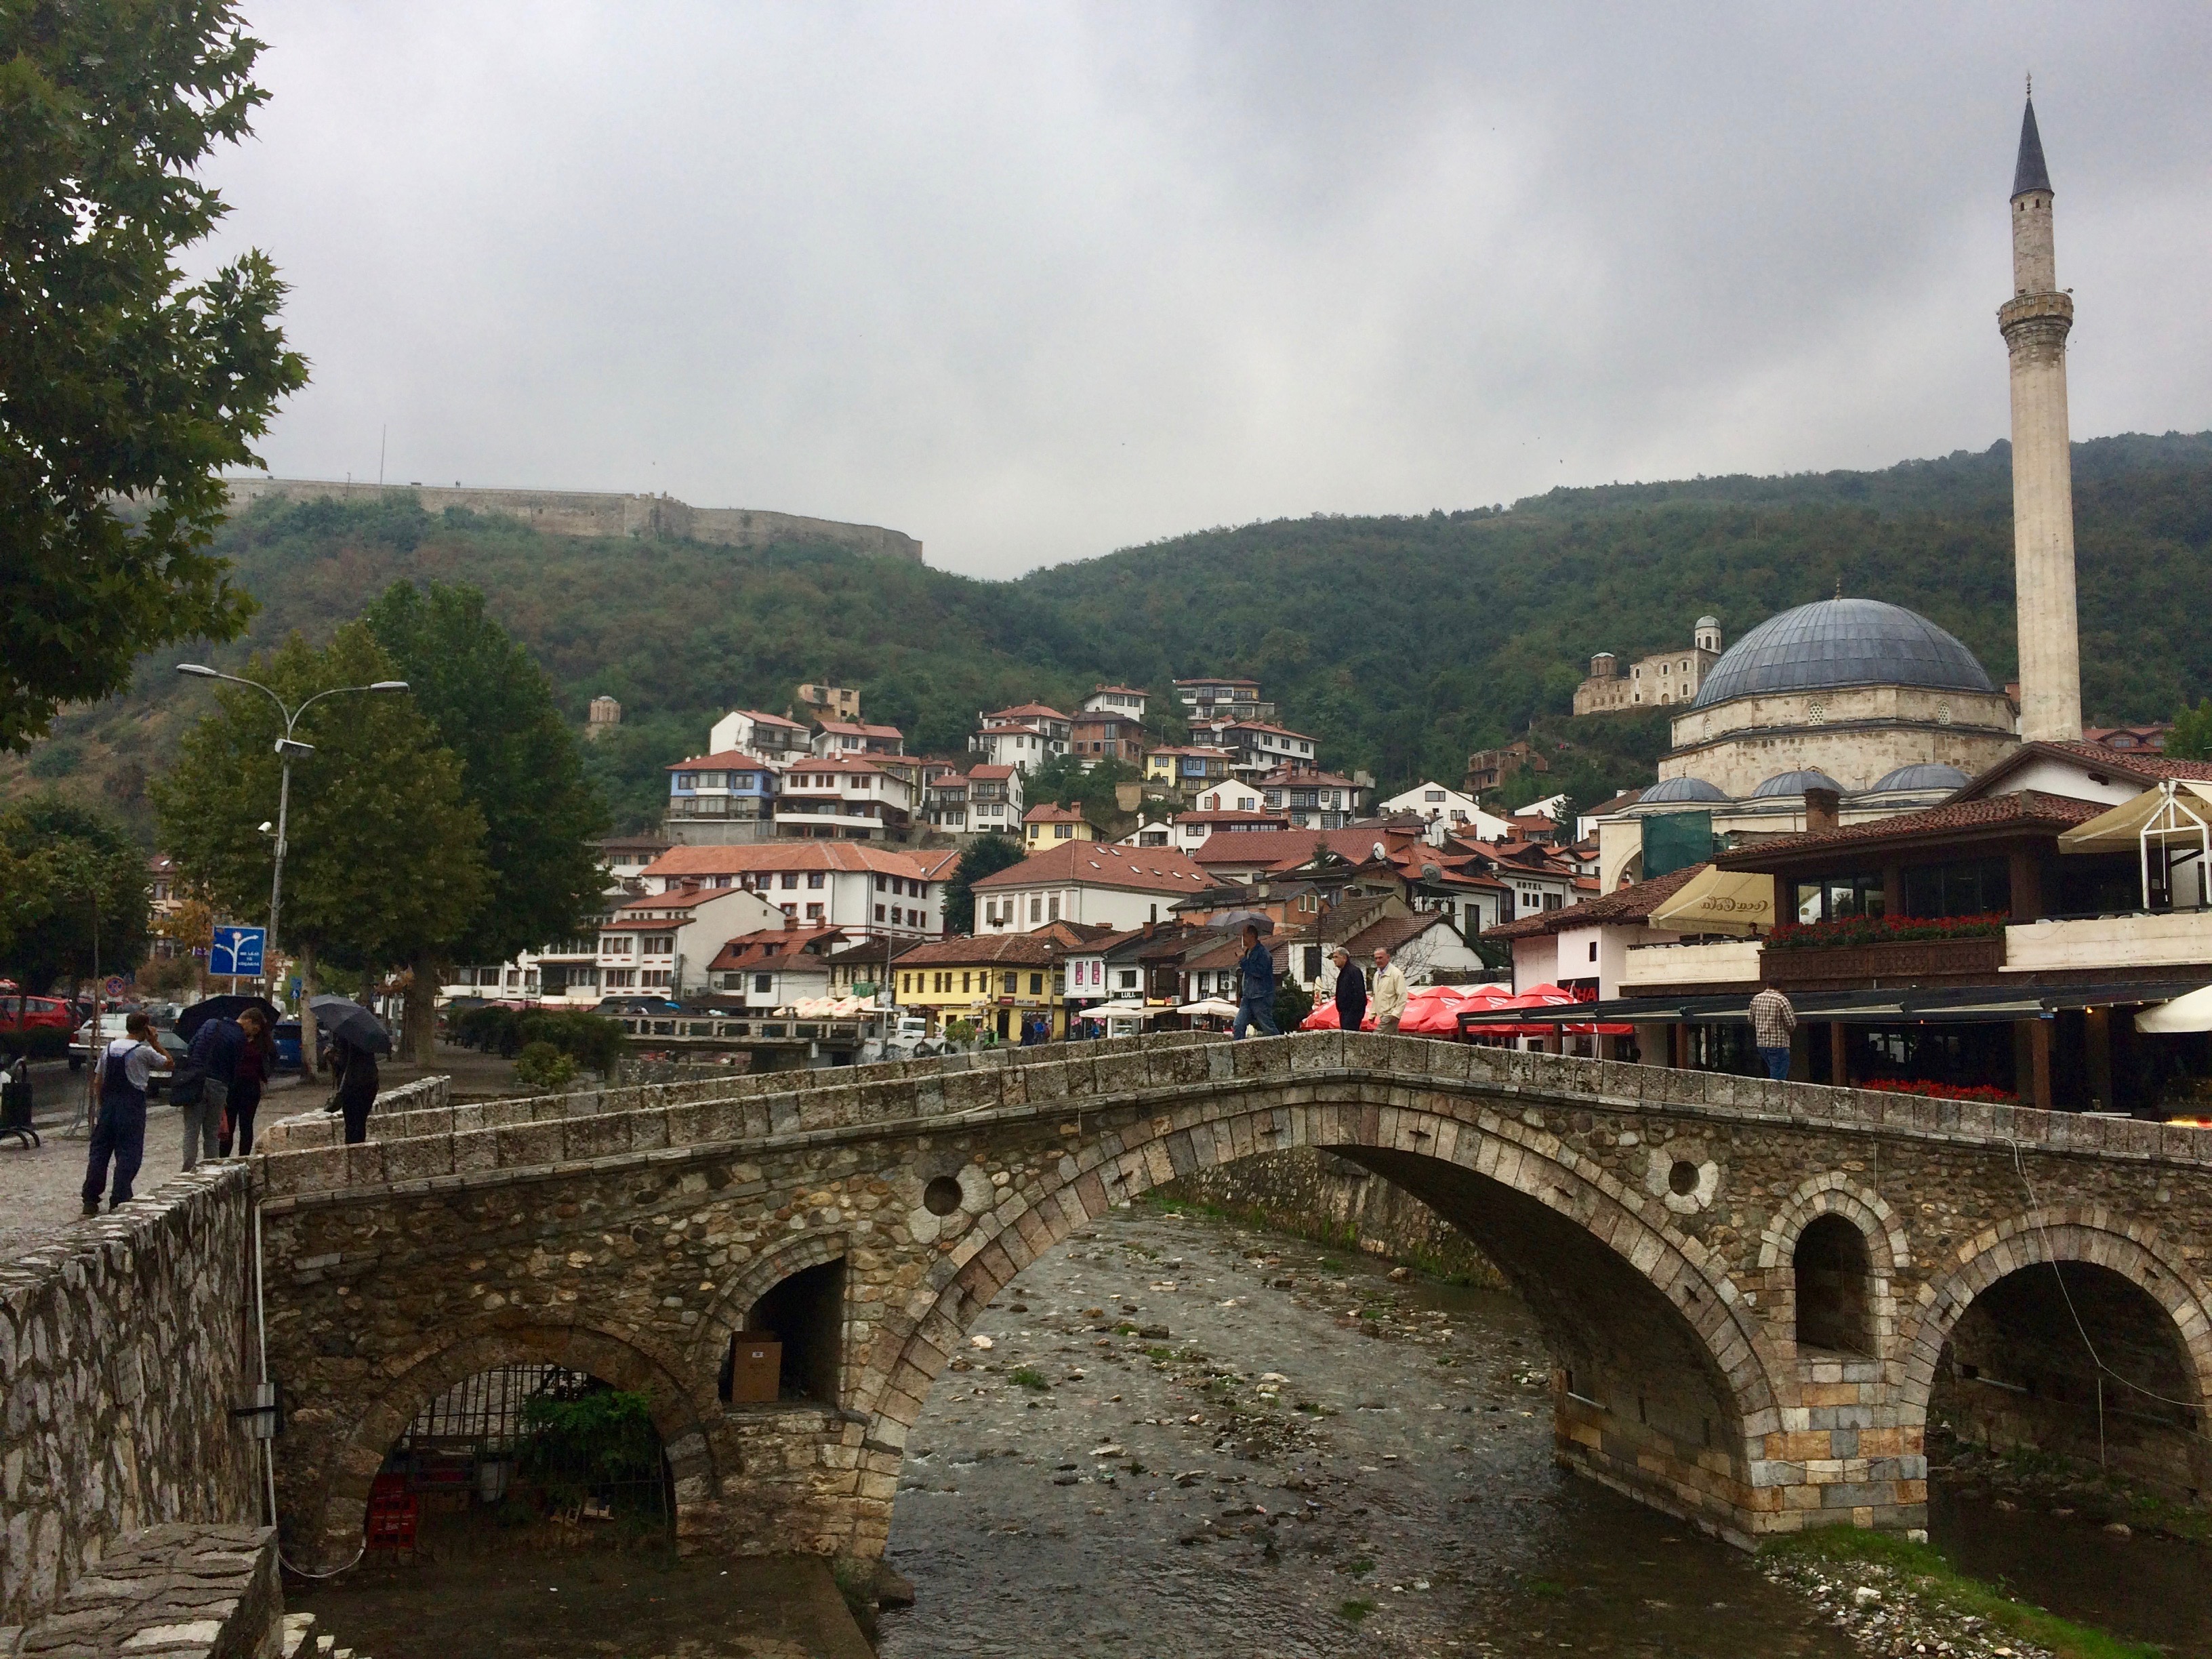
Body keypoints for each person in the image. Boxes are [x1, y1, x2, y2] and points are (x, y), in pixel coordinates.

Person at [81, 1012, 171, 1213]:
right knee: (129, 1154)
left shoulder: (109, 1048)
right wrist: (155, 1042)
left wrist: (102, 1104)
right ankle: (120, 1197)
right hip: (131, 1107)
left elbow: (98, 1081)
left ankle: (90, 1199)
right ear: (145, 1028)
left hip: (108, 1107)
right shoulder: (143, 1052)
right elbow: (169, 1063)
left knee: (99, 1153)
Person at [178, 1008, 249, 1170]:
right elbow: (235, 1066)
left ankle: (188, 1168)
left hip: (196, 1082)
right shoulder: (240, 1037)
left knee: (191, 1129)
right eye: (255, 1028)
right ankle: (210, 1168)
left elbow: (191, 1047)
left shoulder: (210, 1023)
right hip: (219, 1084)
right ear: (249, 1021)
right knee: (212, 1131)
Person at [220, 1012, 274, 1158]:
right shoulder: (235, 1038)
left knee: (246, 1125)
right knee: (228, 1125)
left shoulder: (261, 1043)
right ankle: (224, 1157)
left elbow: (271, 1060)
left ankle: (243, 1157)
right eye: (254, 1028)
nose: (255, 1031)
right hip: (232, 1085)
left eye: (258, 1030)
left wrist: (264, 1075)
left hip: (251, 1087)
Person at [326, 1032, 380, 1145]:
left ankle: (352, 1150)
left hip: (351, 1084)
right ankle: (360, 1147)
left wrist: (329, 1055)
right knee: (361, 1121)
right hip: (370, 1083)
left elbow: (343, 1063)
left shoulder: (345, 1036)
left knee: (351, 1123)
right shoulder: (369, 1036)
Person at [1232, 924, 1278, 1040]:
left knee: (1267, 1026)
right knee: (1238, 1025)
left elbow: (1258, 972)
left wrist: (1243, 960)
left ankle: (1279, 1048)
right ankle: (1238, 1051)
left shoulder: (1263, 954)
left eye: (1245, 936)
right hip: (1248, 996)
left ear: (1252, 936)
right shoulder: (1248, 952)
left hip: (1261, 996)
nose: (1243, 939)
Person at [1750, 985, 1797, 1080]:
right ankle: (1776, 1094)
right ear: (1781, 987)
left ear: (1767, 985)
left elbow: (1751, 1020)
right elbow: (1791, 1023)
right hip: (1778, 1043)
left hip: (1762, 1043)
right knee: (1778, 1075)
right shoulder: (1781, 1000)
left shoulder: (1756, 999)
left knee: (1773, 1069)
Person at [1371, 947, 1409, 1036]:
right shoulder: (1377, 975)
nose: (1378, 960)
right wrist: (1372, 1013)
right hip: (1383, 1015)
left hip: (1390, 1014)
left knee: (1374, 1039)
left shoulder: (1396, 974)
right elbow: (1376, 996)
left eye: (1381, 958)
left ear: (1388, 957)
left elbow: (1402, 996)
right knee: (1392, 1043)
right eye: (1376, 958)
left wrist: (1396, 1014)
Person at [1330, 945, 1367, 1032]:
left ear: (1344, 957)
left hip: (1352, 1013)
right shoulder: (1343, 973)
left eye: (1336, 957)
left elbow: (1359, 994)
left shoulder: (1354, 972)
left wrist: (1354, 1013)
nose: (1334, 960)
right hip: (1344, 1013)